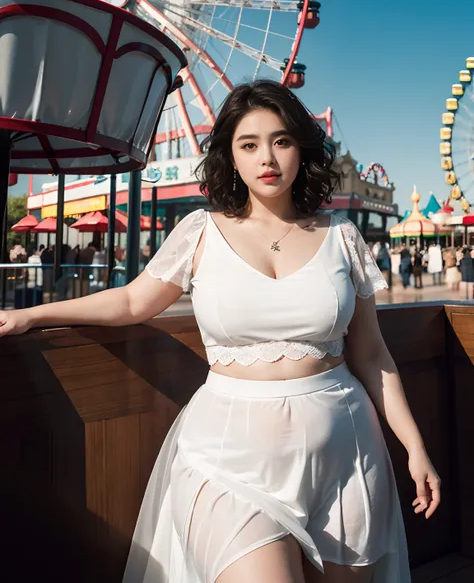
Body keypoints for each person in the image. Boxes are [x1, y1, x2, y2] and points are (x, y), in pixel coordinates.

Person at [0, 81, 440, 583]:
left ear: (303, 149)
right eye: (248, 144)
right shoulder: (199, 231)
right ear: (230, 157)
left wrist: (415, 446)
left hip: (345, 452)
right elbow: (131, 301)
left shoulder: (342, 236)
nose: (267, 157)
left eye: (281, 140)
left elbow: (372, 354)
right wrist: (35, 314)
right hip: (230, 459)